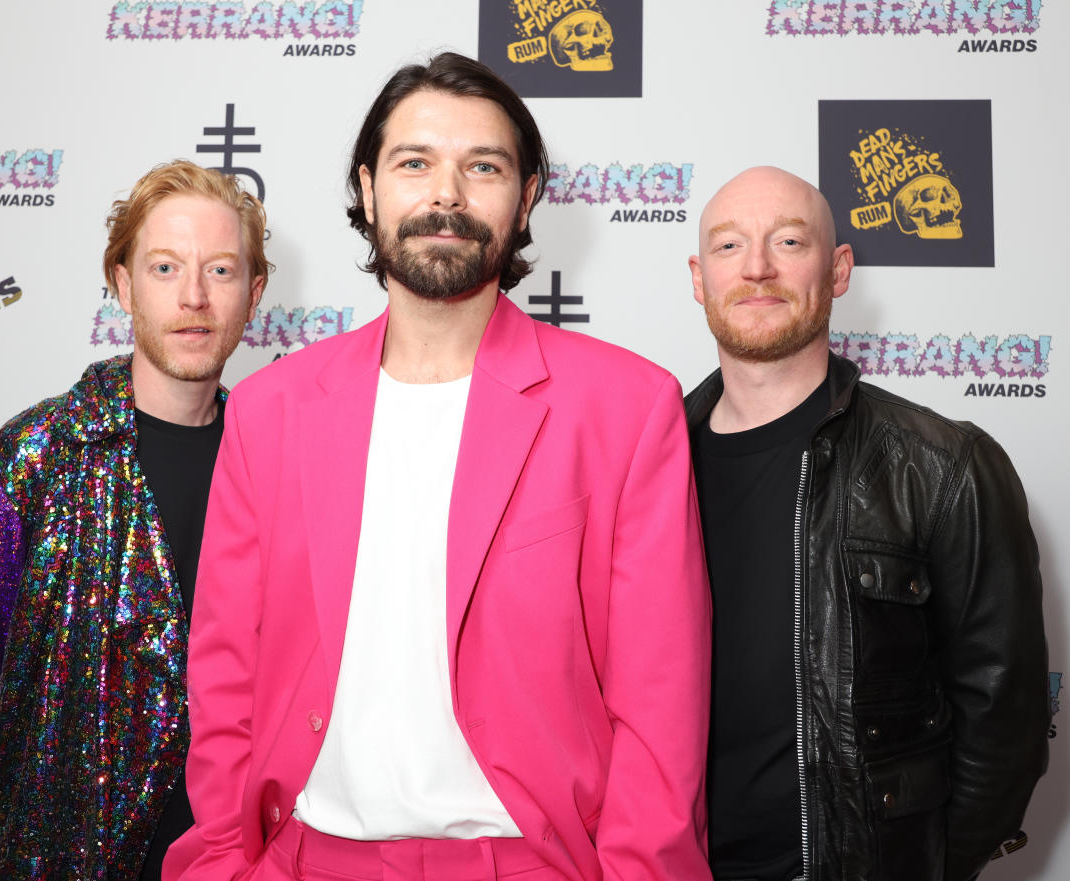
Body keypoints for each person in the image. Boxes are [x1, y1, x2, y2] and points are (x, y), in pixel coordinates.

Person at [164, 53, 712, 881]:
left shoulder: (627, 407)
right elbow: (225, 673)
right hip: (305, 858)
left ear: (525, 198)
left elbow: (659, 705)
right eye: (414, 163)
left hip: (528, 861)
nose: (446, 194)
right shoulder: (270, 410)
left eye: (482, 166)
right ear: (369, 187)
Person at [684, 166, 1048, 881]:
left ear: (839, 267)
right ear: (699, 278)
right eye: (729, 247)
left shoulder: (944, 466)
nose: (757, 267)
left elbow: (1004, 718)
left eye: (788, 241)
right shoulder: (642, 462)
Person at [0, 159, 269, 880]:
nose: (194, 297)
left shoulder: (280, 463)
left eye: (221, 271)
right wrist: (54, 808)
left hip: (236, 857)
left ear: (255, 293)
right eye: (166, 267)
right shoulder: (34, 458)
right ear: (122, 285)